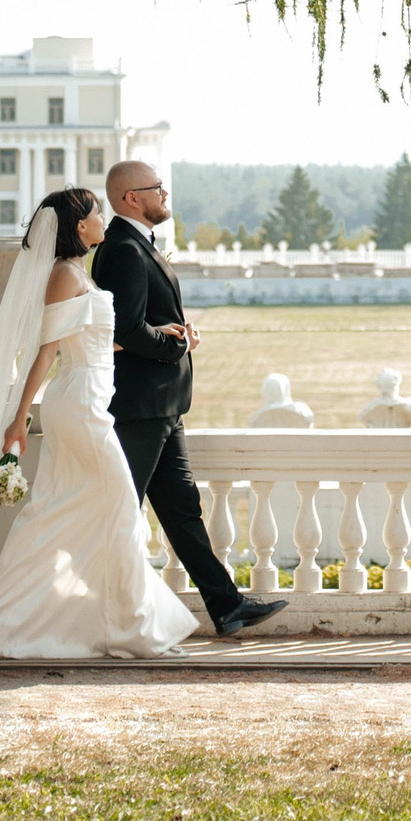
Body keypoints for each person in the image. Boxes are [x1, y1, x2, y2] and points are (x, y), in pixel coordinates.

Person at [0, 188, 199, 658]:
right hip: (79, 405)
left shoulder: (77, 274)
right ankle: (134, 628)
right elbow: (47, 352)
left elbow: (92, 342)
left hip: (91, 399)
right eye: (97, 212)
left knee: (63, 510)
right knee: (122, 508)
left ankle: (17, 622)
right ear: (81, 227)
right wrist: (19, 418)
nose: (104, 217)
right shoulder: (64, 276)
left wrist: (165, 338)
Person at [94, 160, 287, 639]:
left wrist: (176, 334)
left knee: (182, 511)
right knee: (121, 512)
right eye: (156, 188)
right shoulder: (122, 249)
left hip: (164, 407)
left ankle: (227, 607)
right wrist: (179, 344)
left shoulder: (139, 244)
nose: (165, 194)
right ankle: (98, 613)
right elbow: (126, 330)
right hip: (140, 407)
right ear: (130, 198)